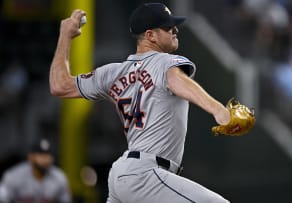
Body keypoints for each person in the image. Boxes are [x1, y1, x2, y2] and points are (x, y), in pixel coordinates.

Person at [49, 3, 231, 203]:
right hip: (146, 174)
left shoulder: (111, 73)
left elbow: (60, 85)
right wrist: (218, 109)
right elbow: (175, 79)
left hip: (123, 175)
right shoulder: (164, 62)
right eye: (168, 27)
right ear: (151, 35)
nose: (175, 30)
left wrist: (65, 36)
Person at [0, 138, 71, 203]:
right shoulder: (14, 176)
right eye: (41, 154)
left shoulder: (59, 177)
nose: (46, 159)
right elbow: (3, 199)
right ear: (30, 157)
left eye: (48, 155)